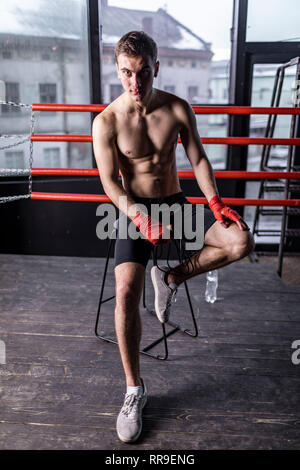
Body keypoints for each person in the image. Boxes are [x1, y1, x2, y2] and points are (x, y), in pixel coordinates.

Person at [92, 30, 255, 443]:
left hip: (176, 205)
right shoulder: (106, 121)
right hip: (134, 211)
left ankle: (172, 278)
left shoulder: (177, 108)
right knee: (126, 289)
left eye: (143, 72)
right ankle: (133, 390)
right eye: (127, 73)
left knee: (240, 241)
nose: (135, 82)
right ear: (118, 70)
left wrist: (215, 204)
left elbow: (197, 156)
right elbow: (110, 183)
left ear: (156, 68)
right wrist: (138, 217)